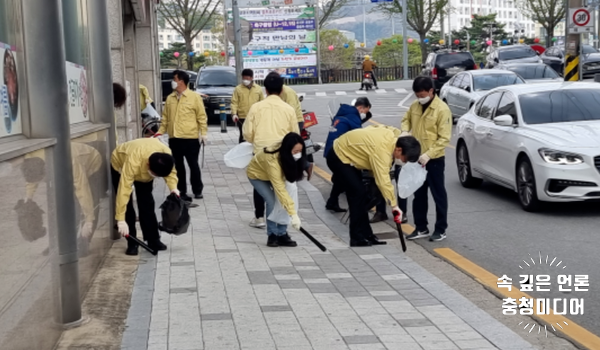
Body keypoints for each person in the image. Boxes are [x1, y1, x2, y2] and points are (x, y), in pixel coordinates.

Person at [327, 125, 421, 247]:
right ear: (398, 150)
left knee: (363, 196)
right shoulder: (383, 151)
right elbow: (384, 181)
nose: (403, 162)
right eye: (405, 159)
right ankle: (356, 238)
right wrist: (394, 206)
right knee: (357, 194)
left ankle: (367, 235)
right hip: (339, 155)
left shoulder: (394, 136)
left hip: (351, 156)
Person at [243, 72, 299, 229]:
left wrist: (257, 141)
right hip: (282, 157)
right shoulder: (288, 109)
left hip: (260, 156)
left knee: (265, 194)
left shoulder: (256, 108)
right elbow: (294, 136)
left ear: (265, 90)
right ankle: (279, 232)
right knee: (281, 193)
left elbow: (247, 133)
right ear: (282, 90)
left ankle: (265, 223)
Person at [401, 76, 452, 242]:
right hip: (416, 158)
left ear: (431, 91)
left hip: (434, 160)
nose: (420, 98)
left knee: (438, 195)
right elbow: (406, 120)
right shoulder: (415, 106)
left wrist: (429, 154)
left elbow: (444, 138)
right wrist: (405, 131)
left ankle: (440, 229)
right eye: (417, 95)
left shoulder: (442, 109)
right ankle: (421, 227)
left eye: (422, 95)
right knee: (419, 195)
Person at [111, 138, 180, 255]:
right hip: (120, 165)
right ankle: (132, 242)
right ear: (148, 164)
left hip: (144, 171)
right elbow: (124, 191)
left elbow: (171, 173)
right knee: (127, 206)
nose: (156, 176)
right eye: (155, 174)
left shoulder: (166, 155)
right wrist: (120, 219)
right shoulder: (133, 161)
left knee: (147, 203)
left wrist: (173, 188)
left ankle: (153, 239)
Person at [247, 133, 305, 247]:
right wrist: (293, 214)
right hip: (258, 175)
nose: (297, 154)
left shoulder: (288, 154)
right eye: (295, 152)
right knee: (273, 202)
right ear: (287, 150)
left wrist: (293, 213)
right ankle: (272, 234)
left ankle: (282, 234)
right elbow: (280, 189)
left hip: (276, 175)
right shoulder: (272, 159)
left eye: (300, 151)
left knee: (291, 191)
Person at [158, 69, 208, 204]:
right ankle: (182, 190)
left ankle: (198, 189)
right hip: (175, 138)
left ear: (181, 81)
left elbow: (201, 117)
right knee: (178, 166)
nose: (173, 82)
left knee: (193, 165)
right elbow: (165, 118)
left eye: (174, 79)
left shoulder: (194, 97)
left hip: (190, 138)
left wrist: (203, 133)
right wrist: (160, 132)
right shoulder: (170, 98)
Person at [323, 97, 372, 213]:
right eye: (366, 111)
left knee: (340, 178)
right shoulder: (353, 117)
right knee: (354, 179)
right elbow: (359, 136)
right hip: (338, 154)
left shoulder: (341, 113)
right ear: (360, 108)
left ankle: (332, 202)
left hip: (330, 151)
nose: (365, 114)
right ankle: (359, 207)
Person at [280, 84, 314, 179]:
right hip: (288, 121)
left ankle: (304, 167)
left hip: (295, 121)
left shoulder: (287, 92)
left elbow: (290, 110)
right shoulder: (280, 92)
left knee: (291, 147)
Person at [231, 69, 264, 143]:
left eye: (247, 78)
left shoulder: (258, 89)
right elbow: (234, 102)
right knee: (243, 136)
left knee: (255, 135)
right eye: (243, 78)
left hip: (255, 116)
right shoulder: (238, 89)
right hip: (242, 117)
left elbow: (262, 102)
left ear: (252, 78)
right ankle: (241, 151)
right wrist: (234, 114)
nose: (245, 80)